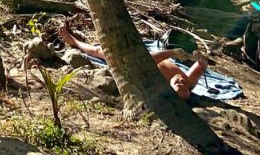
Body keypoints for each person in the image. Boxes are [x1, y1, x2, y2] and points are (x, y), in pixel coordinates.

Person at [58, 23, 208, 102]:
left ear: (169, 88)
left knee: (98, 52)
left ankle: (74, 41)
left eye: (177, 85)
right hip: (150, 53)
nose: (180, 81)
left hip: (136, 61)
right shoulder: (188, 81)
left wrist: (172, 53)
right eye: (183, 84)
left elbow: (147, 61)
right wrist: (199, 58)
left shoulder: (161, 81)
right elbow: (201, 67)